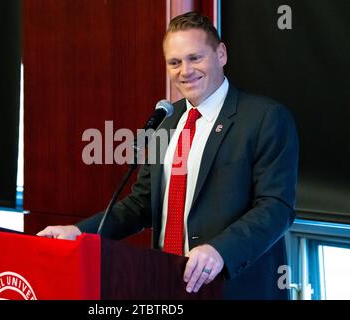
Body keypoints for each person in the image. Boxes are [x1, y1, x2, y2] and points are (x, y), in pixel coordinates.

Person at [37, 11, 299, 299]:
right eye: (174, 62)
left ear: (221, 54)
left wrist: (220, 250)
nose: (185, 71)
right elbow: (141, 204)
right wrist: (80, 233)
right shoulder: (167, 121)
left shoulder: (265, 118)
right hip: (166, 282)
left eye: (195, 58)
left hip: (233, 287)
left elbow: (276, 207)